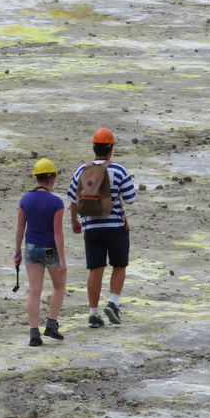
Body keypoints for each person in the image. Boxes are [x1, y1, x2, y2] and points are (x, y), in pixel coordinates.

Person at [68, 128, 137, 328]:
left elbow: (73, 199)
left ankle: (93, 314)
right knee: (119, 265)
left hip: (91, 227)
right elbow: (131, 199)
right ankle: (113, 302)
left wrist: (74, 221)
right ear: (111, 148)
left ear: (94, 146)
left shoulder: (81, 171)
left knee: (96, 268)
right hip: (115, 226)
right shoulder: (119, 170)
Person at [15, 158, 68, 346]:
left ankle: (33, 333)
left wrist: (17, 252)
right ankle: (51, 324)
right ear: (52, 178)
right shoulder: (56, 203)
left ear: (37, 178)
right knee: (59, 287)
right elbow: (58, 233)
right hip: (50, 250)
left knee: (34, 291)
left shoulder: (25, 199)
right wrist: (62, 259)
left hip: (30, 249)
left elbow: (20, 229)